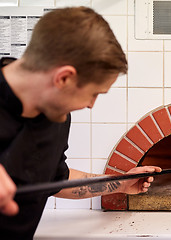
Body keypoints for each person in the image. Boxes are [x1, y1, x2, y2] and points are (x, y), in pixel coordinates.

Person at [0, 6, 161, 239]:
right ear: (64, 78)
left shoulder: (56, 115)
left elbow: (58, 179)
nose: (91, 105)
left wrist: (120, 183)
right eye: (94, 93)